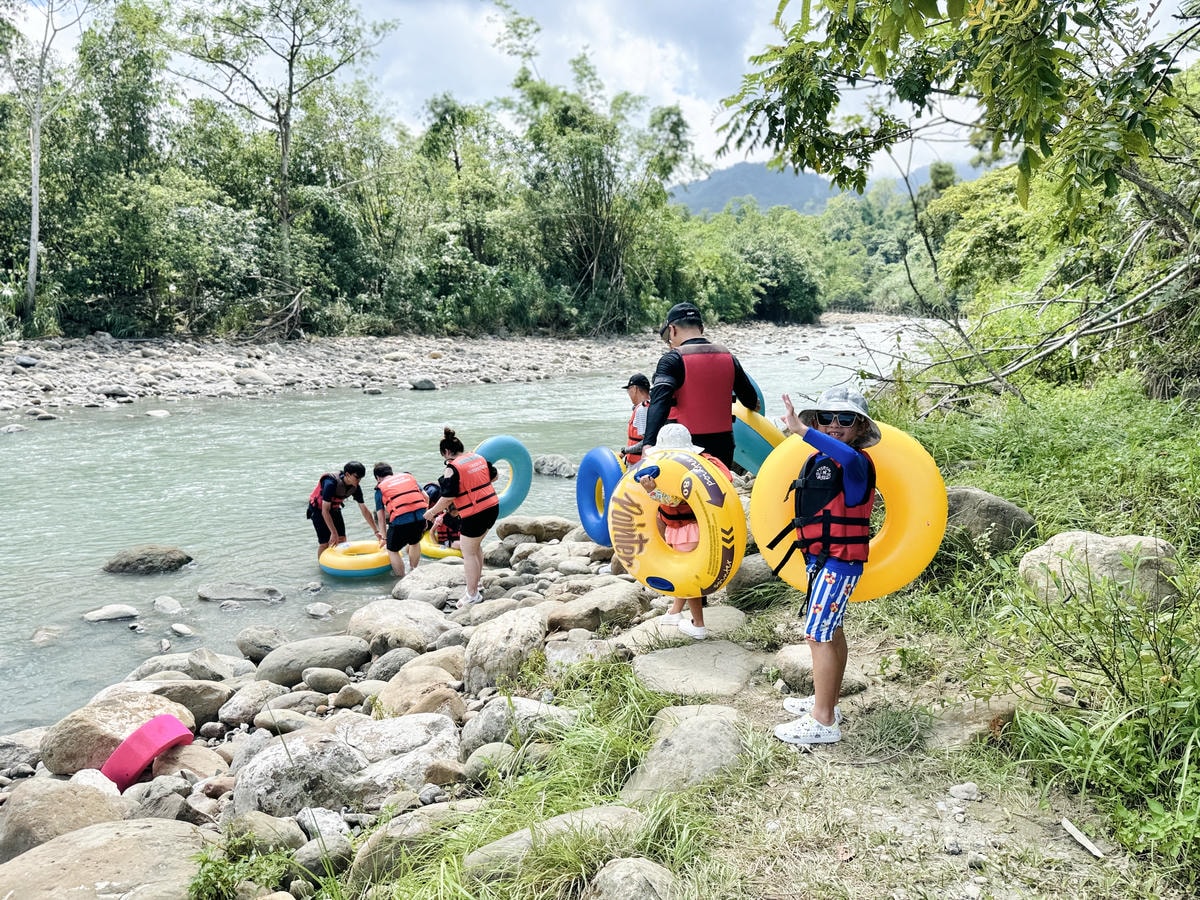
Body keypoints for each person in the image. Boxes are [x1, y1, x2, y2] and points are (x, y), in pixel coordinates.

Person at [772, 385, 881, 746]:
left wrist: (802, 430)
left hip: (839, 562)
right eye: (827, 418)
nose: (835, 425)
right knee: (831, 631)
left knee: (817, 635)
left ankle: (823, 721)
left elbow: (848, 460)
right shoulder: (820, 460)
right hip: (822, 560)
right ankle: (827, 701)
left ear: (860, 427)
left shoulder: (857, 464)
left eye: (846, 418)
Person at [635, 422, 734, 641]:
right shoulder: (702, 464)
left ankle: (698, 624)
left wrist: (653, 492)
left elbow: (677, 500)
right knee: (683, 569)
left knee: (688, 575)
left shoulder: (682, 472)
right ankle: (674, 611)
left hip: (687, 530)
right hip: (691, 528)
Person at [633, 302, 759, 470]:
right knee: (718, 490)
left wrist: (648, 444)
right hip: (724, 446)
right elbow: (750, 399)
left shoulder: (672, 360)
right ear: (702, 328)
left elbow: (659, 403)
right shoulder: (729, 357)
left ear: (673, 329)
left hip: (684, 447)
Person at [424, 427, 499, 608]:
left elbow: (448, 497)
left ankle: (472, 594)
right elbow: (494, 476)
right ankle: (478, 584)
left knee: (468, 553)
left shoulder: (452, 468)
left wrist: (431, 512)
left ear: (447, 452)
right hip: (492, 507)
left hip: (475, 513)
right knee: (475, 547)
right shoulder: (478, 457)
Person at [306, 461, 378, 561]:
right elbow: (325, 510)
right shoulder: (330, 483)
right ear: (347, 474)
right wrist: (333, 532)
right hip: (319, 510)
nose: (359, 481)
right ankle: (322, 565)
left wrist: (376, 531)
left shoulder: (355, 488)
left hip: (334, 509)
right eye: (357, 477)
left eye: (361, 478)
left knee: (342, 539)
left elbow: (364, 510)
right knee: (325, 543)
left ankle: (339, 563)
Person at [372, 462, 428, 577]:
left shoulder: (380, 489)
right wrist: (426, 518)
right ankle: (414, 571)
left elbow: (381, 516)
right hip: (420, 517)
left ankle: (401, 578)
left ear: (378, 478)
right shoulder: (408, 477)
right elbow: (426, 497)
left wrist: (384, 536)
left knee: (392, 550)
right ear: (391, 472)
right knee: (415, 542)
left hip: (400, 522)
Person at [619, 373, 651, 466]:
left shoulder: (642, 409)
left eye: (628, 390)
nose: (628, 393)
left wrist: (625, 451)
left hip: (638, 464)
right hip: (636, 462)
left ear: (635, 389)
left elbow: (647, 441)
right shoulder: (648, 405)